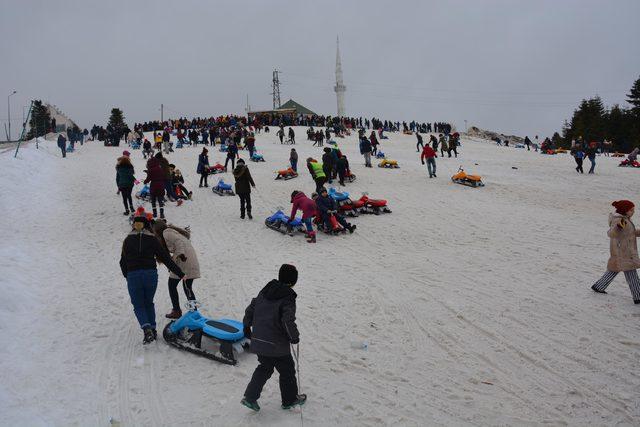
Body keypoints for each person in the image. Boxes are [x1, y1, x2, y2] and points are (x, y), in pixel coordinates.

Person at [241, 264, 306, 411]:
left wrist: (246, 326)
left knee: (264, 368)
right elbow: (287, 320)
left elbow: (252, 307)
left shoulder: (266, 290)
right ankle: (289, 400)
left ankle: (250, 398)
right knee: (287, 370)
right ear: (293, 281)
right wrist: (294, 337)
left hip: (259, 340)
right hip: (277, 345)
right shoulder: (288, 297)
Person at [120, 213, 184, 344]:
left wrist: (128, 276)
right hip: (150, 274)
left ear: (134, 226)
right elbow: (166, 258)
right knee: (148, 302)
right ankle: (153, 329)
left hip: (134, 275)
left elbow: (122, 262)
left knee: (138, 304)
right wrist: (180, 273)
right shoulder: (152, 239)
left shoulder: (127, 240)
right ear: (148, 226)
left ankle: (146, 328)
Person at [591, 200, 640, 304]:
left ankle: (599, 286)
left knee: (614, 269)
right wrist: (618, 227)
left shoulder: (625, 220)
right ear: (624, 211)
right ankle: (638, 296)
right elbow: (611, 233)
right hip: (623, 252)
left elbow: (630, 232)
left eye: (633, 210)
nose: (633, 212)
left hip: (622, 251)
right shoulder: (619, 221)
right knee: (631, 273)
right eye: (631, 210)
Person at [153, 220, 200, 319]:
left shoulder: (166, 233)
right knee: (187, 287)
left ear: (157, 230)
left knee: (172, 285)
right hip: (189, 260)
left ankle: (177, 311)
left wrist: (180, 255)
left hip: (185, 261)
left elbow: (179, 244)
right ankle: (194, 312)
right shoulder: (171, 232)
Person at [145, 153, 167, 219]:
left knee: (153, 201)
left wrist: (145, 181)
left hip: (153, 186)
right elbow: (163, 176)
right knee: (160, 200)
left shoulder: (150, 170)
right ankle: (162, 214)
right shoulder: (160, 168)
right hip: (160, 186)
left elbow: (148, 179)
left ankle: (155, 214)